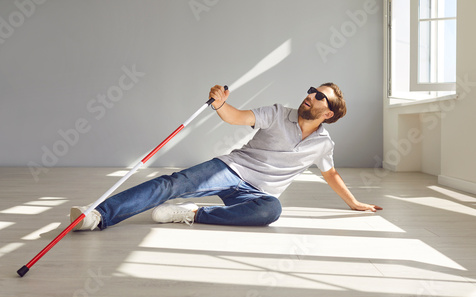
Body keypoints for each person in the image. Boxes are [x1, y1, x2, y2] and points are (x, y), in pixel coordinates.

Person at [69, 83, 382, 230]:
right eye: (312, 89)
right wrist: (220, 104)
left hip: (257, 195)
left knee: (271, 211)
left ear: (327, 112)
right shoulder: (277, 113)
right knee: (172, 184)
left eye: (319, 96)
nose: (310, 94)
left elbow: (331, 174)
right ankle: (97, 215)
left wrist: (353, 203)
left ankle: (192, 214)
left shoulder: (323, 144)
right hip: (231, 169)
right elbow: (237, 117)